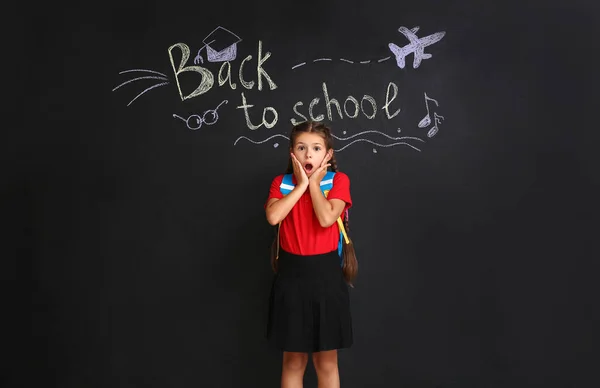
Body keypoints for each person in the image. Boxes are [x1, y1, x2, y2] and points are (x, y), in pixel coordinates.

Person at [264, 121, 358, 388]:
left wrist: (314, 185)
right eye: (301, 148)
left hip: (326, 280)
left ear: (327, 154)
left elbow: (327, 217)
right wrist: (300, 186)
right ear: (292, 153)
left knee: (326, 363)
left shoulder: (338, 181)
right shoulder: (281, 184)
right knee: (293, 362)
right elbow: (273, 216)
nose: (308, 155)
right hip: (291, 279)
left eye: (316, 148)